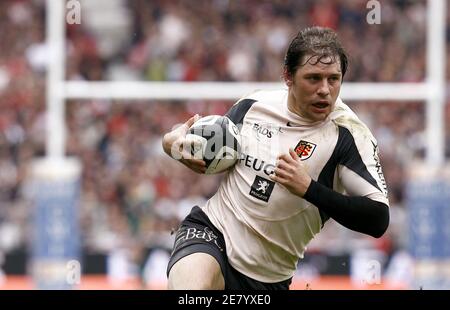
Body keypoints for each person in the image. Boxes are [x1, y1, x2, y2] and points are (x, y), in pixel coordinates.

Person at [162, 26, 389, 290]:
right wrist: (172, 145)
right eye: (313, 78)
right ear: (288, 77)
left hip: (268, 278)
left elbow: (378, 219)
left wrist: (309, 188)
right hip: (211, 231)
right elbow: (205, 146)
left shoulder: (349, 136)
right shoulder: (254, 105)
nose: (325, 89)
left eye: (333, 79)